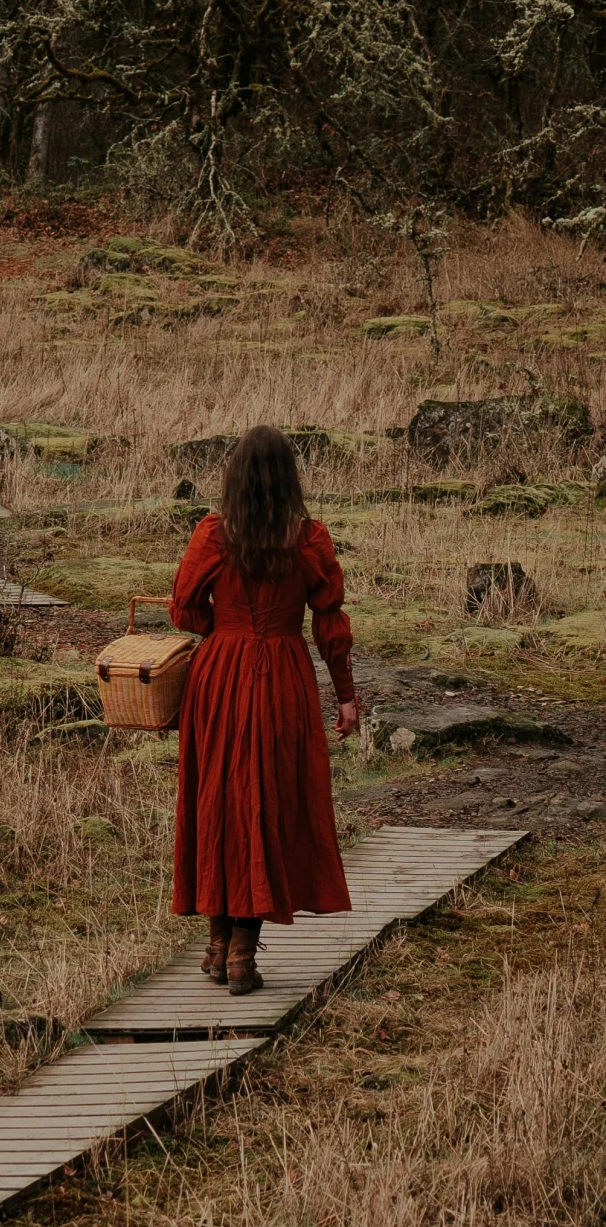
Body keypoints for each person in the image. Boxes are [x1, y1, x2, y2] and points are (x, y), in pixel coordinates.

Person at [169, 425, 361, 996]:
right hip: (282, 678)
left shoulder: (213, 533)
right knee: (264, 802)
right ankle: (237, 956)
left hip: (217, 677)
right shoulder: (309, 540)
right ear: (288, 477)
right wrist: (346, 695)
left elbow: (182, 608)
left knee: (218, 799)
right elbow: (330, 625)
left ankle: (218, 942)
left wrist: (221, 631)